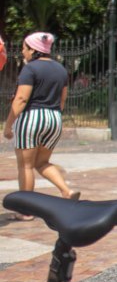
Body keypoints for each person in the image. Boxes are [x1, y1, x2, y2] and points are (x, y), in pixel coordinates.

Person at [3, 32, 79, 210]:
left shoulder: (30, 69)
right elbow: (62, 99)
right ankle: (67, 191)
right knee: (41, 163)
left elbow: (21, 99)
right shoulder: (61, 69)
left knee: (26, 166)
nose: (22, 51)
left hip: (32, 117)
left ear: (33, 50)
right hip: (54, 118)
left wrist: (8, 125)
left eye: (24, 48)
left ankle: (26, 210)